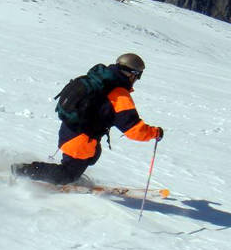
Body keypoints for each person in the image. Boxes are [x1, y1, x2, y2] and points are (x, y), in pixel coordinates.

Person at [11, 53, 163, 185]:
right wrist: (155, 132)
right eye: (138, 76)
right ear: (132, 74)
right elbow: (134, 130)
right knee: (66, 175)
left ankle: (68, 173)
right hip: (80, 139)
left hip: (70, 129)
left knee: (93, 154)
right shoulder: (118, 94)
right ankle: (23, 171)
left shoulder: (100, 80)